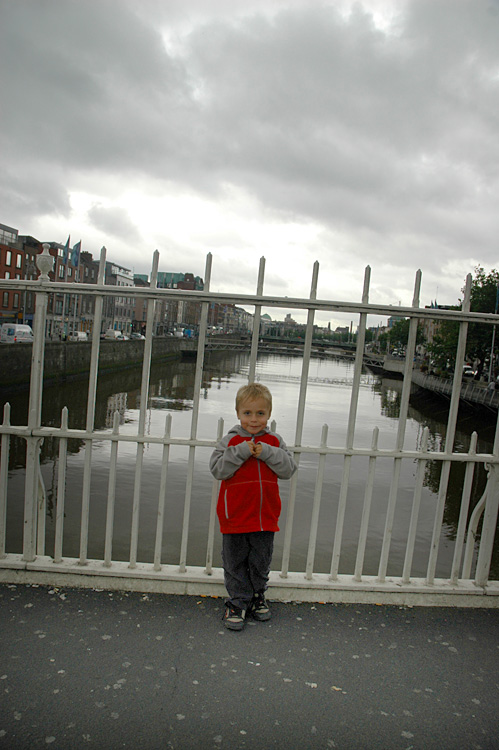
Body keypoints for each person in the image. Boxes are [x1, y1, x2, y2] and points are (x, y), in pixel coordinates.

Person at [209, 383, 297, 631]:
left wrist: (267, 452)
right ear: (238, 413)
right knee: (235, 562)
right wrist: (240, 452)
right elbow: (218, 470)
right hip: (235, 516)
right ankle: (237, 602)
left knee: (260, 561)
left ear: (269, 414)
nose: (254, 419)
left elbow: (288, 469)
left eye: (260, 413)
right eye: (247, 413)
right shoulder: (231, 441)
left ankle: (257, 597)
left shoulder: (274, 441)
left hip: (264, 516)